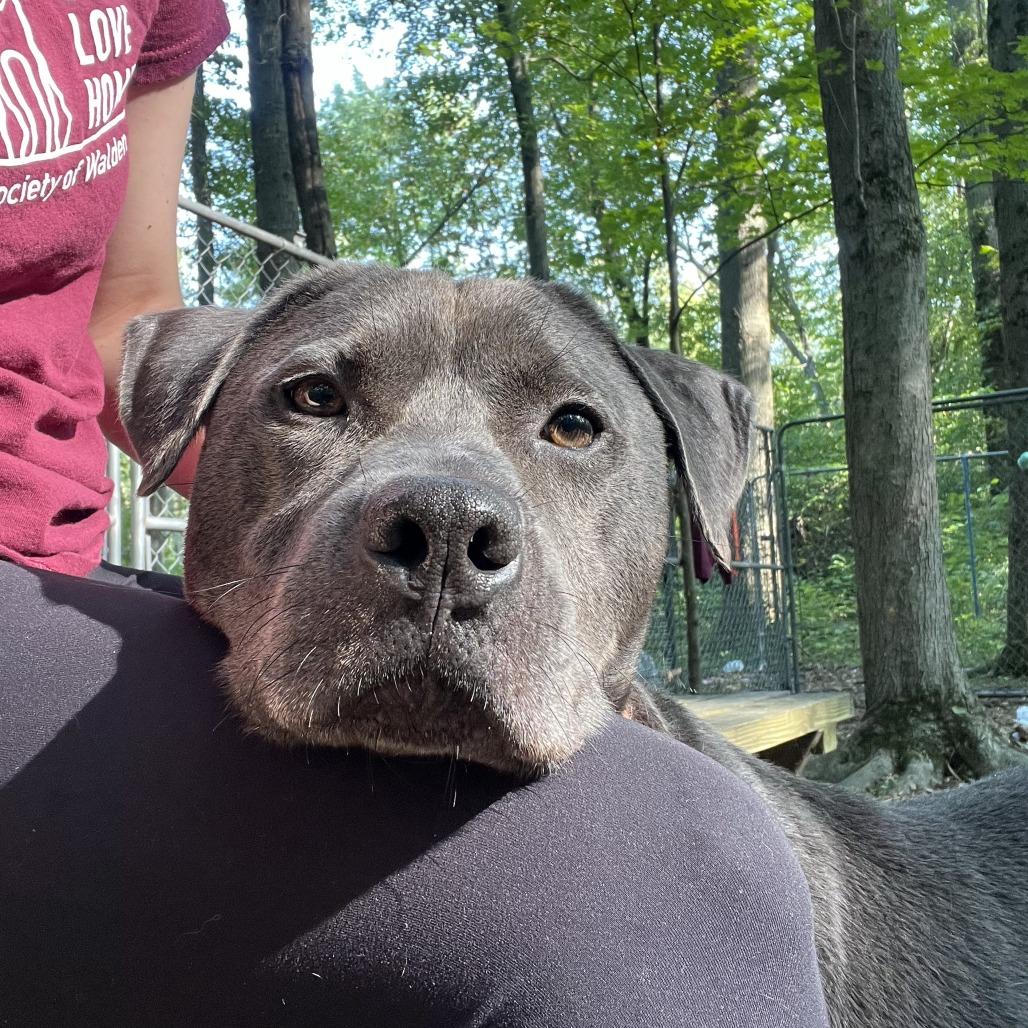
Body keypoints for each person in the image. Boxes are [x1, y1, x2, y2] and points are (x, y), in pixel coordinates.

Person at [0, 3, 830, 1023]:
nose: (445, 512)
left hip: (49, 550)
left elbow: (123, 311)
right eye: (315, 399)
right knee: (660, 889)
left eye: (570, 427)